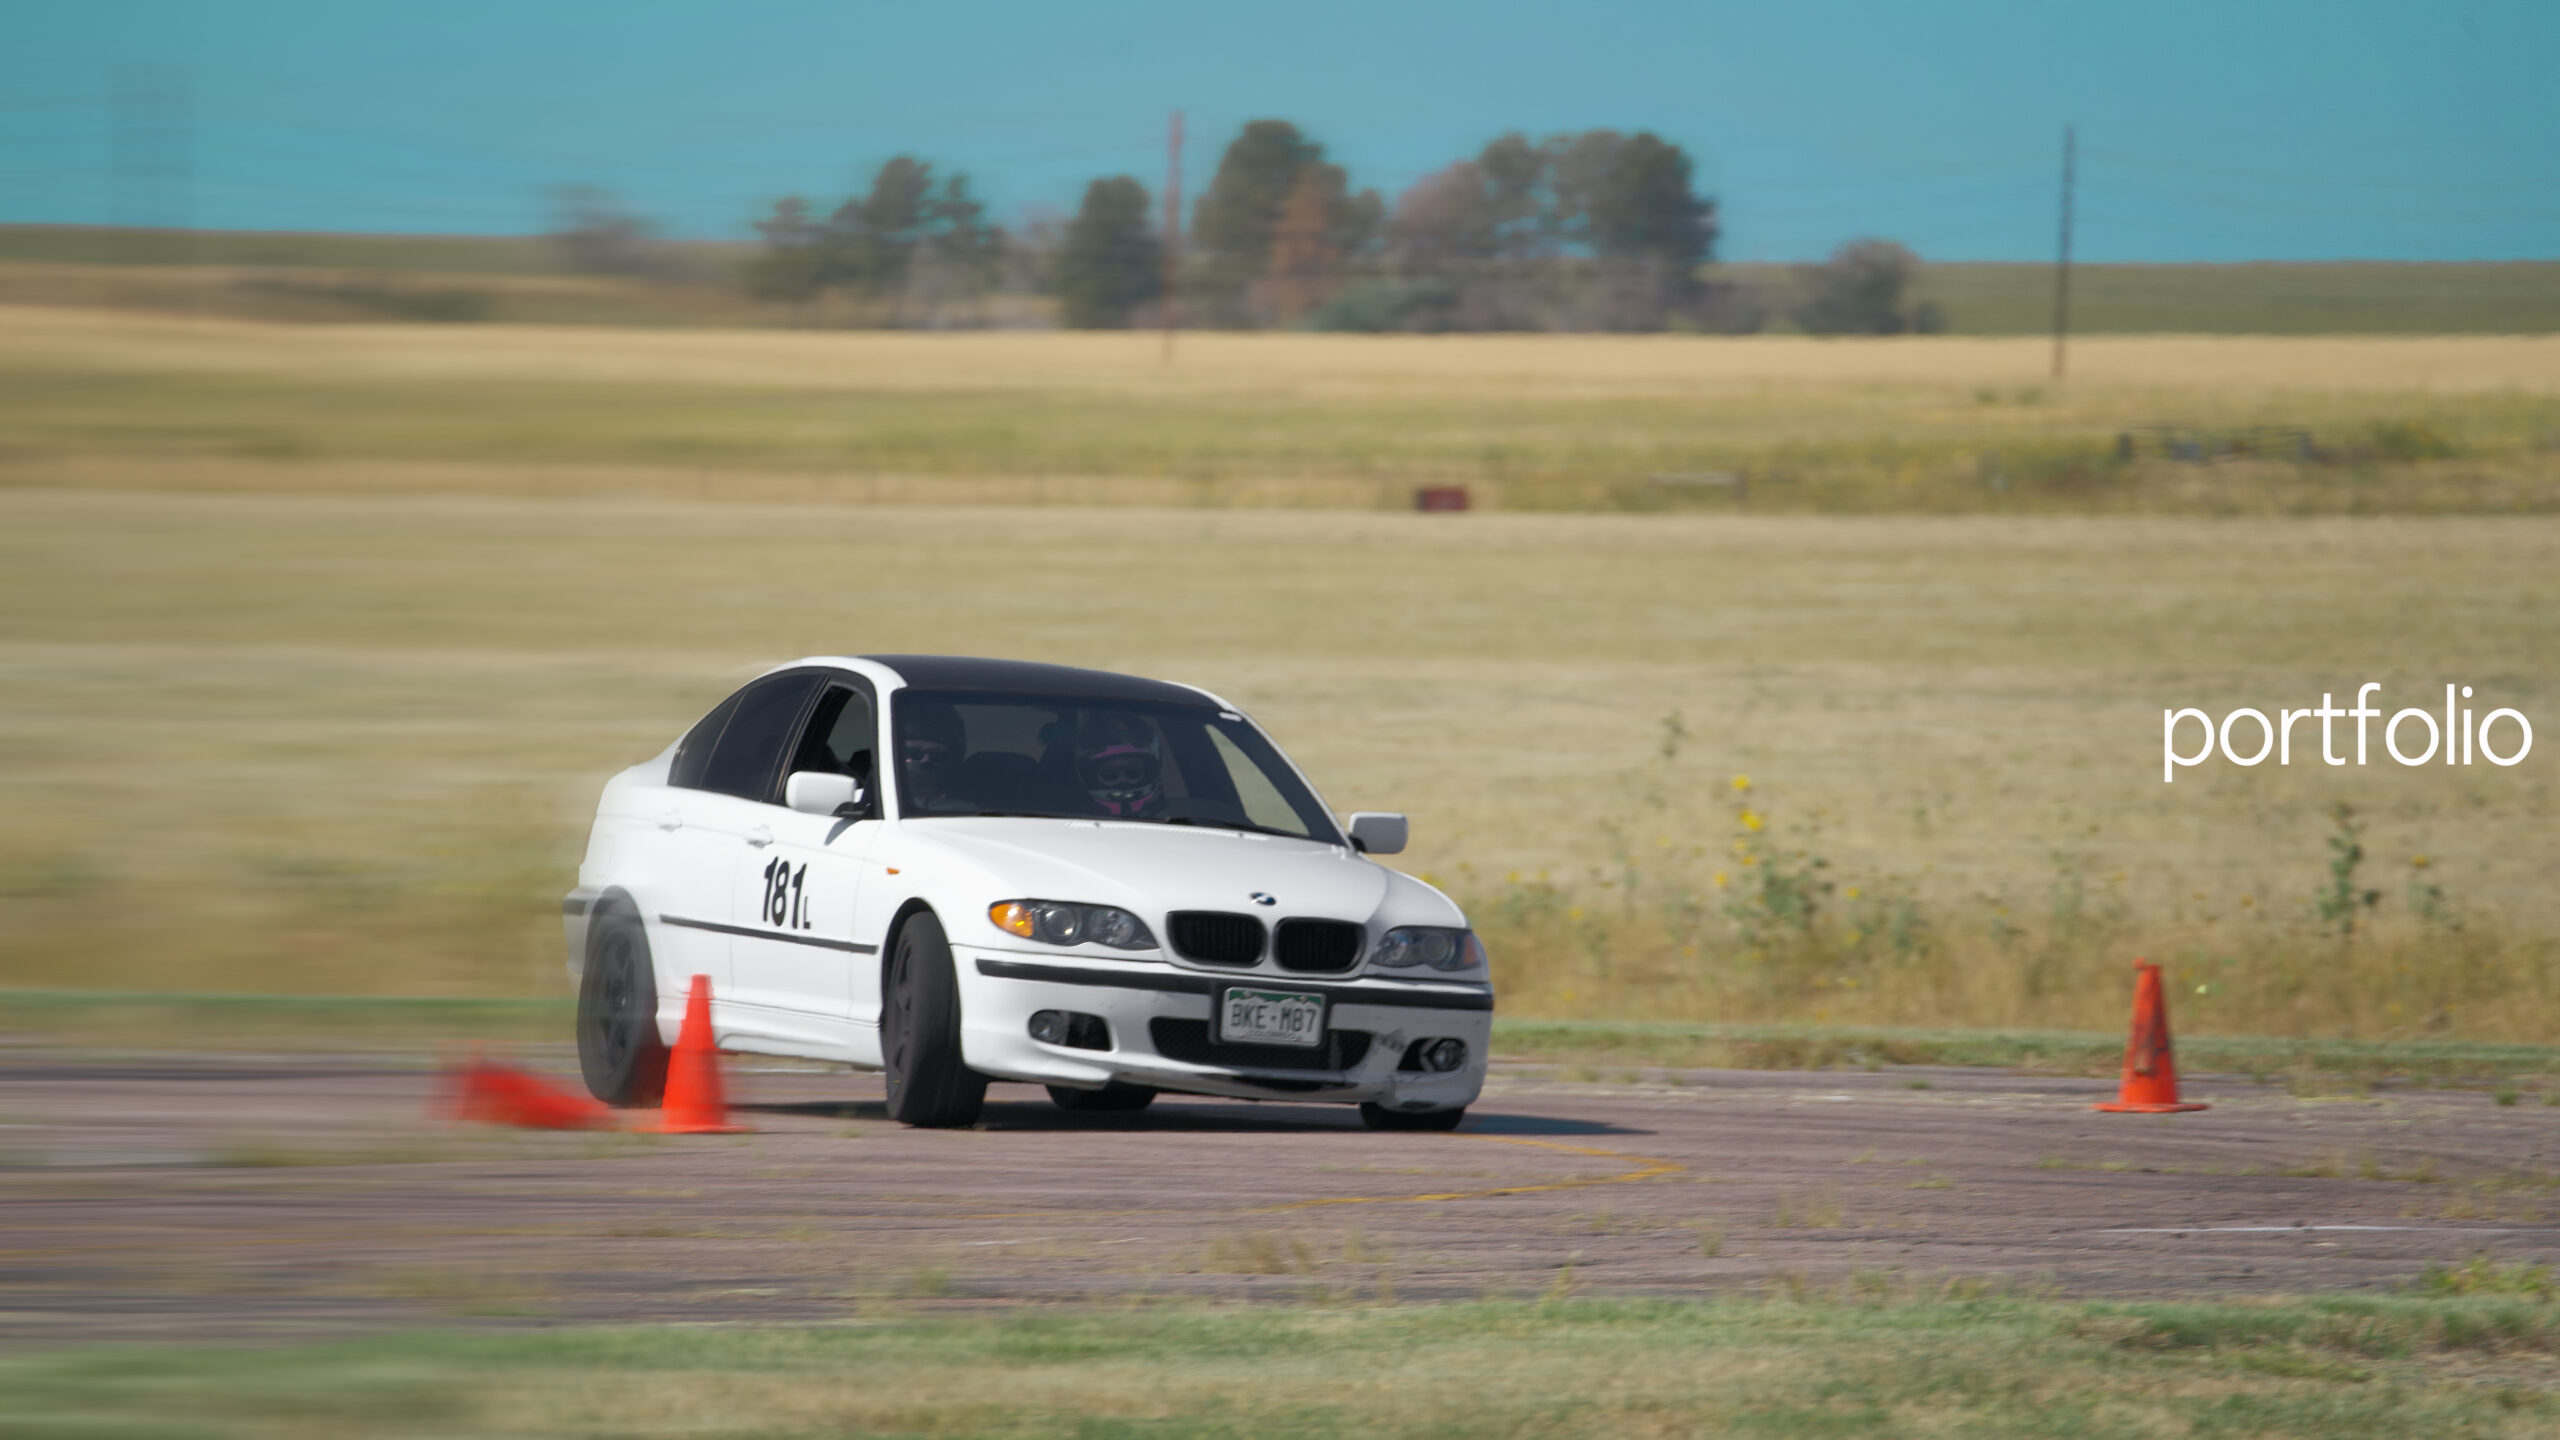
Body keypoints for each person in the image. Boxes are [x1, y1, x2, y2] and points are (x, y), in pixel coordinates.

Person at [1075, 712, 1166, 818]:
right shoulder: (1068, 821)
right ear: (1090, 777)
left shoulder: (1174, 817)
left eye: (1133, 772)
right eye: (1110, 774)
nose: (1122, 780)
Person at [897, 701, 967, 811]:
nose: (925, 760)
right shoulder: (877, 805)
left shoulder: (967, 811)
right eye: (914, 753)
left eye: (936, 755)